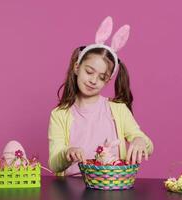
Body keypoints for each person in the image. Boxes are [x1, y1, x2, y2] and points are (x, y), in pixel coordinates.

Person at [48, 16, 154, 176]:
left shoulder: (118, 110)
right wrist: (67, 153)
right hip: (72, 187)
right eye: (89, 72)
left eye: (102, 77)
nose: (93, 80)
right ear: (77, 67)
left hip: (111, 185)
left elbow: (147, 144)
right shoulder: (59, 114)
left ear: (108, 80)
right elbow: (54, 164)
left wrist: (140, 141)